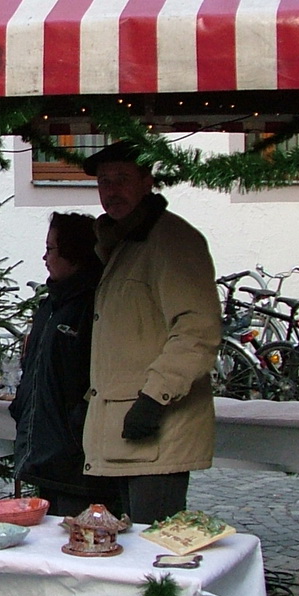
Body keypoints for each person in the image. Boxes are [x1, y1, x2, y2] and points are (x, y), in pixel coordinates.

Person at [79, 142, 222, 526]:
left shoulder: (172, 241)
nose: (111, 190)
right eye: (104, 182)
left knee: (154, 549)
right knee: (126, 546)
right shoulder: (124, 243)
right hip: (122, 430)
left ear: (147, 181)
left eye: (122, 179)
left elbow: (197, 330)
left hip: (158, 431)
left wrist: (154, 399)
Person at [9, 212, 120, 516]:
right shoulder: (51, 305)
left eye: (51, 249)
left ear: (73, 252)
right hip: (47, 453)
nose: (44, 258)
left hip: (77, 458)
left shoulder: (94, 305)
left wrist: (77, 422)